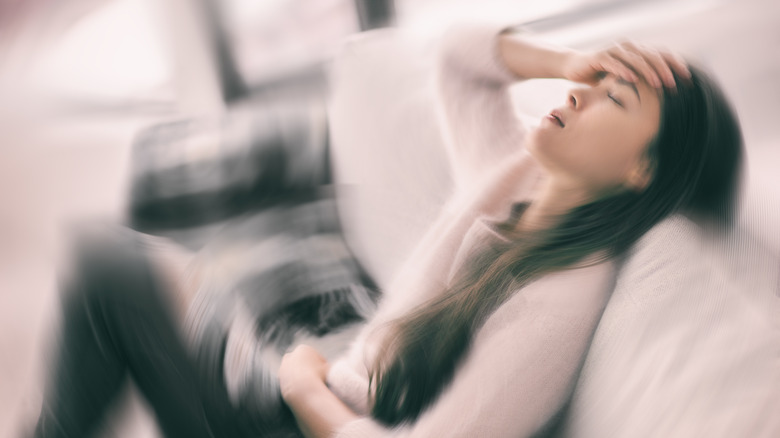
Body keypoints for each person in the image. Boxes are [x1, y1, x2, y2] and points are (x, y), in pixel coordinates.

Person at [32, 21, 743, 438]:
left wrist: (308, 392)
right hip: (329, 369)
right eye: (591, 81)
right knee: (138, 263)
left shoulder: (555, 305)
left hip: (309, 415)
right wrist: (562, 58)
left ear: (640, 172)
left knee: (106, 267)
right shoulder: (519, 178)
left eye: (611, 97)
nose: (579, 94)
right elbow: (460, 63)